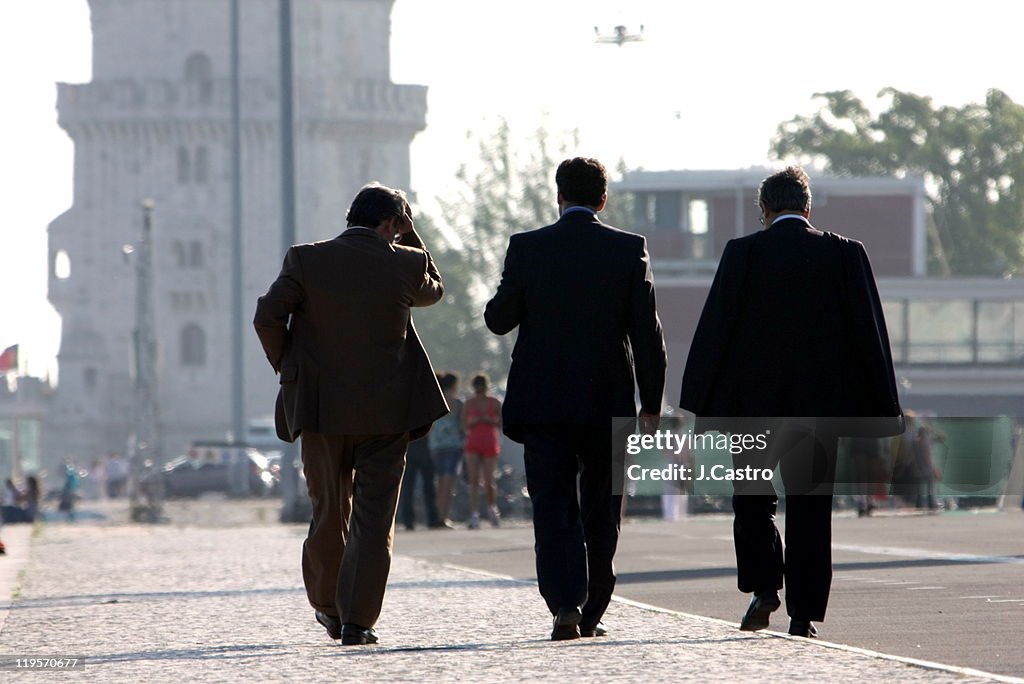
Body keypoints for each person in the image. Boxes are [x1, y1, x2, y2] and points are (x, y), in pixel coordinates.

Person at [679, 166, 903, 638]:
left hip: (752, 408)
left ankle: (763, 588)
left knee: (753, 499)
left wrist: (698, 401)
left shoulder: (742, 254)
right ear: (808, 207)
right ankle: (803, 615)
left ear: (764, 210)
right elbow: (869, 334)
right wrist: (882, 408)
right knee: (810, 508)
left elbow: (715, 329)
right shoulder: (845, 254)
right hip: (818, 408)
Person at [254, 182, 447, 646]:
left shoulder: (306, 259)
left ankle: (327, 605)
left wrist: (290, 369)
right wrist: (414, 236)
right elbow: (435, 291)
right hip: (387, 414)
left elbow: (267, 317)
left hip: (320, 411)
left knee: (328, 511)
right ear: (392, 224)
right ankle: (359, 621)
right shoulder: (405, 262)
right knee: (373, 518)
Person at [485, 157, 666, 641]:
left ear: (558, 195)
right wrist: (651, 404)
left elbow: (499, 320)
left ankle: (565, 602)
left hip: (542, 402)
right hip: (606, 401)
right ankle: (595, 608)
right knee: (603, 507)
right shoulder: (628, 249)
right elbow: (647, 333)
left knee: (553, 503)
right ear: (603, 199)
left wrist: (511, 294)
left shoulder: (527, 248)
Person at [462, 373, 502, 529]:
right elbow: (464, 426)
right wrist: (475, 421)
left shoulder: (495, 402)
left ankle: (492, 509)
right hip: (473, 443)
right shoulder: (469, 404)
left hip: (490, 443)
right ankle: (474, 513)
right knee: (473, 480)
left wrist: (488, 420)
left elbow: (501, 423)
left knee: (488, 479)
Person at [428, 372, 464, 528]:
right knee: (448, 483)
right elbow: (462, 426)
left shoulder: (434, 400)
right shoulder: (456, 403)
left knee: (439, 481)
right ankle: (444, 516)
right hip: (453, 446)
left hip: (435, 446)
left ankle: (437, 515)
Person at [399, 436, 441, 531]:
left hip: (409, 448)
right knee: (429, 487)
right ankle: (432, 519)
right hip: (424, 448)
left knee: (407, 488)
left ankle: (408, 521)